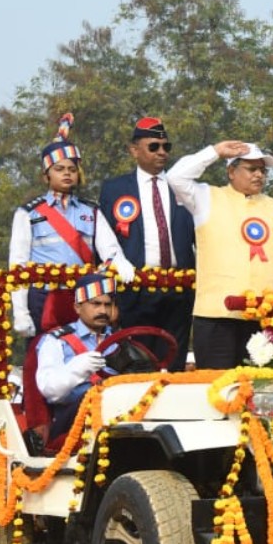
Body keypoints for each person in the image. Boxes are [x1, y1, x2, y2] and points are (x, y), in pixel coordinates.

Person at [165, 141, 273, 369]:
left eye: (263, 170)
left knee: (259, 391)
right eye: (252, 169)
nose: (259, 175)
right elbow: (176, 176)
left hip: (262, 315)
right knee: (217, 388)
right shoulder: (206, 198)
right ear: (231, 171)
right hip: (216, 314)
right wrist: (215, 152)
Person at [9, 113, 135, 339]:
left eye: (72, 169)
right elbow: (17, 265)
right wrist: (20, 311)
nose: (67, 173)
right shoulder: (28, 213)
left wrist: (120, 262)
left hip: (84, 297)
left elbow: (110, 248)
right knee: (41, 357)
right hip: (44, 298)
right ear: (46, 176)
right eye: (59, 169)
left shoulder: (91, 211)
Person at [98, 117, 196, 367]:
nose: (162, 152)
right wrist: (107, 295)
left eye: (166, 147)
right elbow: (103, 244)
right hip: (135, 289)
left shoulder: (183, 187)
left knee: (174, 361)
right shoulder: (114, 189)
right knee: (136, 361)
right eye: (154, 146)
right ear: (134, 150)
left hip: (179, 288)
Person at [36, 274, 116, 443]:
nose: (103, 311)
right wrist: (77, 369)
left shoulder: (121, 340)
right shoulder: (56, 340)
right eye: (96, 304)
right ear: (78, 307)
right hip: (74, 419)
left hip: (121, 411)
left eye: (107, 305)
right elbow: (50, 390)